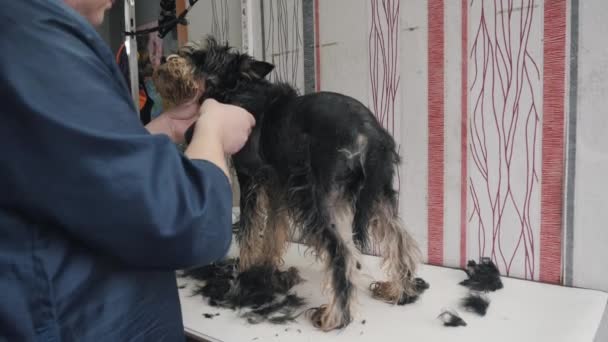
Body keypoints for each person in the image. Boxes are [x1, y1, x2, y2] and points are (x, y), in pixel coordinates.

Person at [0, 0, 255, 341]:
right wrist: (213, 132)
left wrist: (160, 130)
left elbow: (72, 172)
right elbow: (187, 222)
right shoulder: (31, 42)